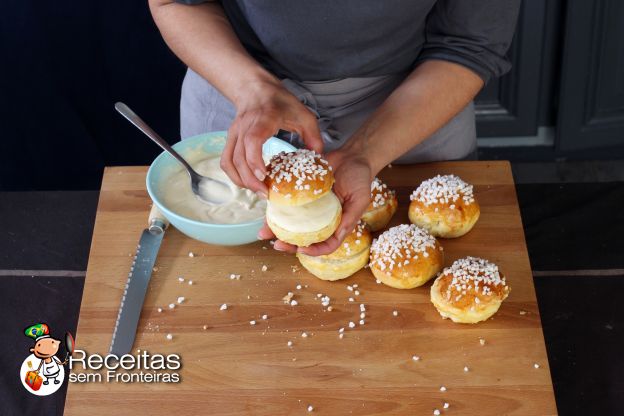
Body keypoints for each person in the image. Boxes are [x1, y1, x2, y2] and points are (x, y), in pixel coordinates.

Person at [149, 0, 520, 255]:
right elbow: (176, 2)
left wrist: (365, 152)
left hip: (415, 110)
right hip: (235, 89)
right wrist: (253, 90)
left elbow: (471, 40)